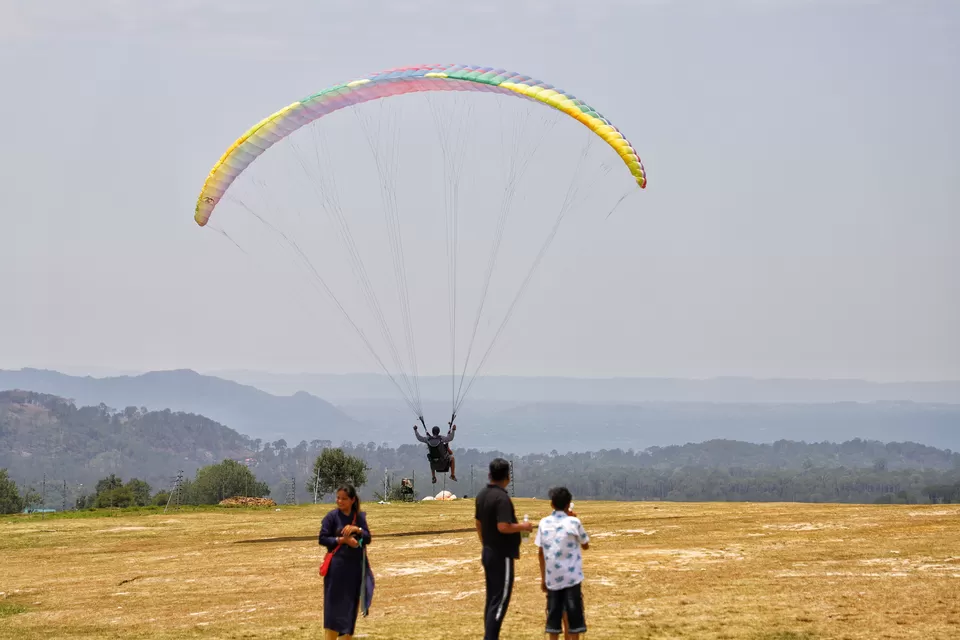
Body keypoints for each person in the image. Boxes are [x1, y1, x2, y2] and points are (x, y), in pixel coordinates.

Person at [474, 458, 533, 640]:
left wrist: (485, 543)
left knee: (492, 599)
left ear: (489, 474)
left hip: (488, 552)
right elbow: (503, 526)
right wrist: (523, 527)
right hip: (502, 555)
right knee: (500, 602)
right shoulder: (502, 498)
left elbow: (478, 523)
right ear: (508, 477)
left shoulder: (482, 495)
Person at [318, 485, 374, 640]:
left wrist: (357, 530)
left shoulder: (359, 517)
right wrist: (342, 540)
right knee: (333, 608)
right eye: (338, 498)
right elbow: (322, 538)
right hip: (336, 570)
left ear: (352, 500)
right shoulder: (331, 517)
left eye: (344, 498)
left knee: (349, 609)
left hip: (354, 569)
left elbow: (367, 538)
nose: (340, 501)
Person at [535, 487, 590, 640]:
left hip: (552, 579)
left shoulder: (543, 523)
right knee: (574, 621)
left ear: (552, 504)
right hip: (572, 579)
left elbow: (540, 553)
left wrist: (543, 578)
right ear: (568, 504)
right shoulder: (574, 522)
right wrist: (574, 520)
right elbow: (585, 545)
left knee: (553, 620)